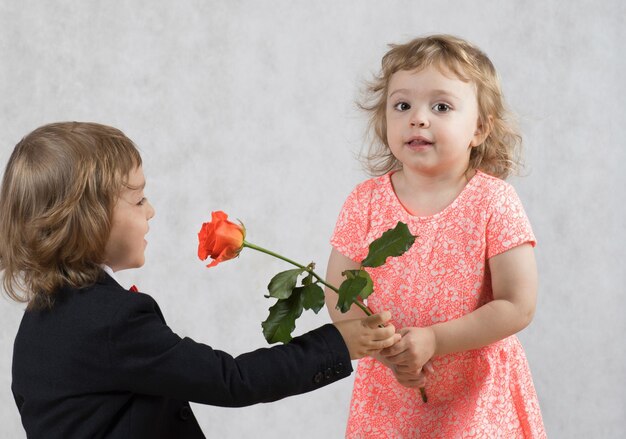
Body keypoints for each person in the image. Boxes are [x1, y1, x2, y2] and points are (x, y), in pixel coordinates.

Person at [0, 122, 400, 439]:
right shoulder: (112, 321)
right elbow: (233, 381)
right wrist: (338, 343)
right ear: (89, 221)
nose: (151, 211)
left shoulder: (39, 322)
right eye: (138, 200)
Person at [324, 34, 546, 438]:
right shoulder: (365, 202)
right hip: (391, 396)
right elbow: (339, 294)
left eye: (441, 106)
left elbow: (518, 304)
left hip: (476, 395)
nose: (418, 118)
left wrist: (435, 340)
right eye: (402, 105)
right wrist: (387, 351)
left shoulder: (494, 201)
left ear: (479, 128)